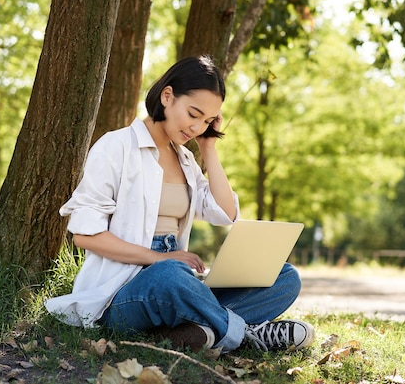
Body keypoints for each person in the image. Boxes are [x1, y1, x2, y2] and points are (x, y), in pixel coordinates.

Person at [45, 55, 314, 353]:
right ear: (168, 96)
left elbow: (225, 214)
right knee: (170, 277)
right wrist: (159, 258)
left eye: (208, 121)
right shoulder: (116, 147)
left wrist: (209, 149)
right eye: (194, 114)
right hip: (122, 293)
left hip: (179, 279)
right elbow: (85, 236)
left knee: (285, 276)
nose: (198, 126)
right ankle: (245, 335)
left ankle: (198, 330)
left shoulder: (186, 160)